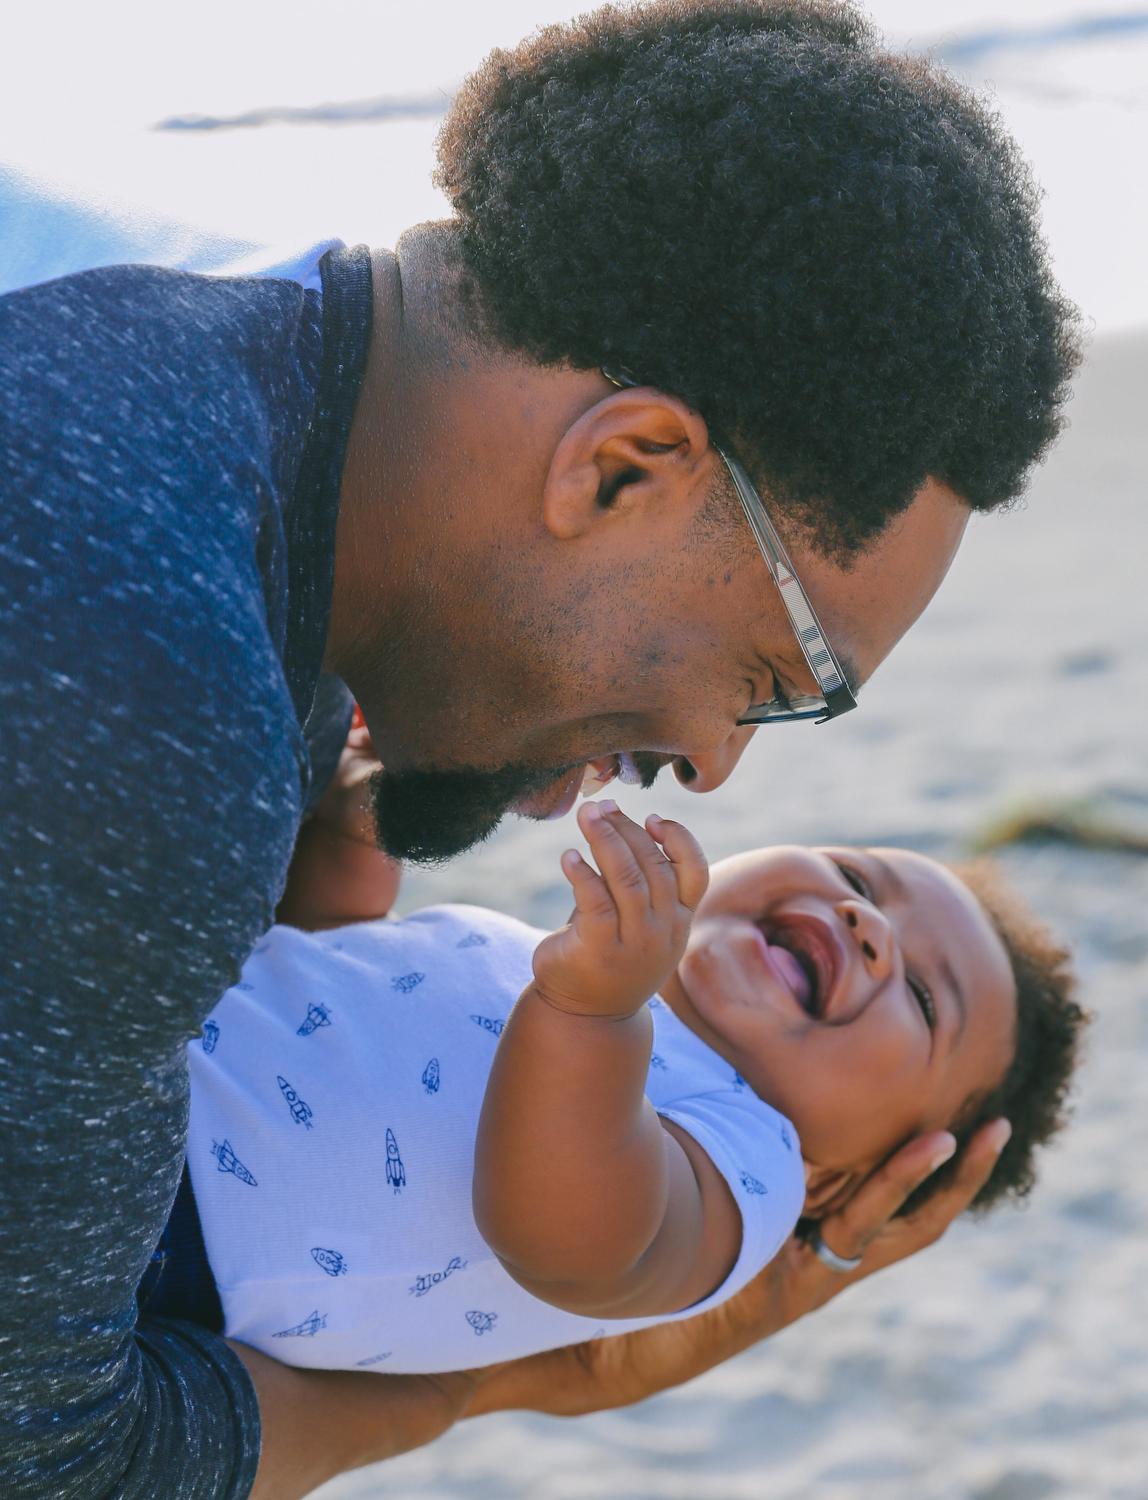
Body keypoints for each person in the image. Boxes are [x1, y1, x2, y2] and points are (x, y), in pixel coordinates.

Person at [0, 2, 1082, 1496]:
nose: (714, 762)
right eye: (775, 677)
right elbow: (47, 1461)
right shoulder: (140, 698)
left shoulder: (185, 366)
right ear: (624, 467)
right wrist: (490, 1390)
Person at [150, 798, 1083, 1376]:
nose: (864, 921)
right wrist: (360, 838)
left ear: (840, 1181)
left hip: (167, 1232)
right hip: (144, 1040)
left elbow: (566, 1239)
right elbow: (329, 991)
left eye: (923, 996)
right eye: (855, 875)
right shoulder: (567, 970)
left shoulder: (743, 1166)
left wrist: (593, 1012)